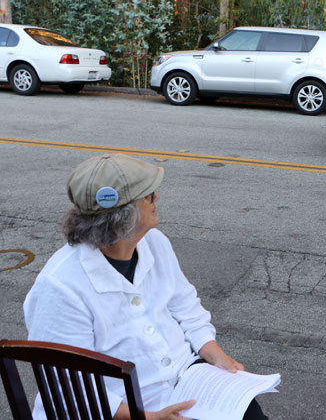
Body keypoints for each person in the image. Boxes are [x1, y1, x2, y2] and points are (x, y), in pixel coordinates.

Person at [24, 153, 268, 420]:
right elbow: (71, 387)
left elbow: (185, 305)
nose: (157, 198)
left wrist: (216, 356)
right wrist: (148, 417)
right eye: (149, 195)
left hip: (184, 383)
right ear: (123, 215)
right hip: (121, 409)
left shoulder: (155, 242)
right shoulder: (60, 286)